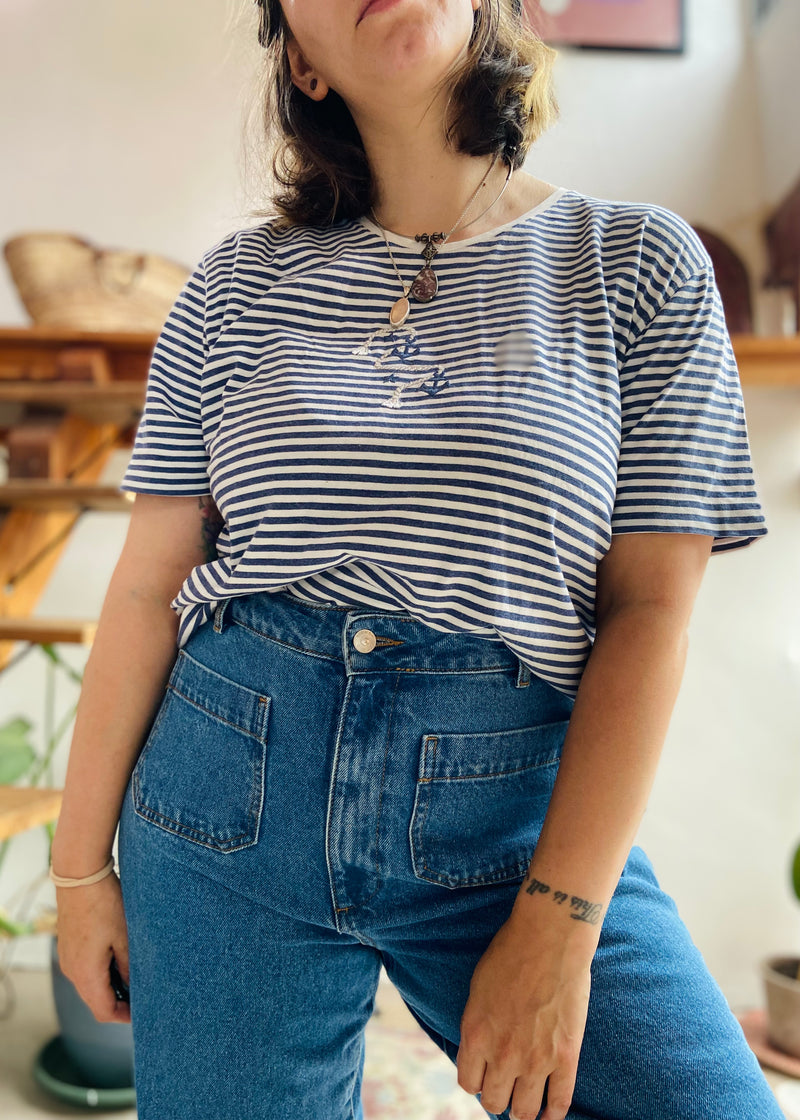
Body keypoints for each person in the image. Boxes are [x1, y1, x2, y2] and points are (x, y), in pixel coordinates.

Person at [49, 2, 783, 1118]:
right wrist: (76, 872)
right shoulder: (231, 287)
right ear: (301, 60)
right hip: (221, 798)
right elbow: (147, 589)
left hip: (509, 820)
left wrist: (558, 916)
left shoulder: (635, 261)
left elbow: (647, 617)